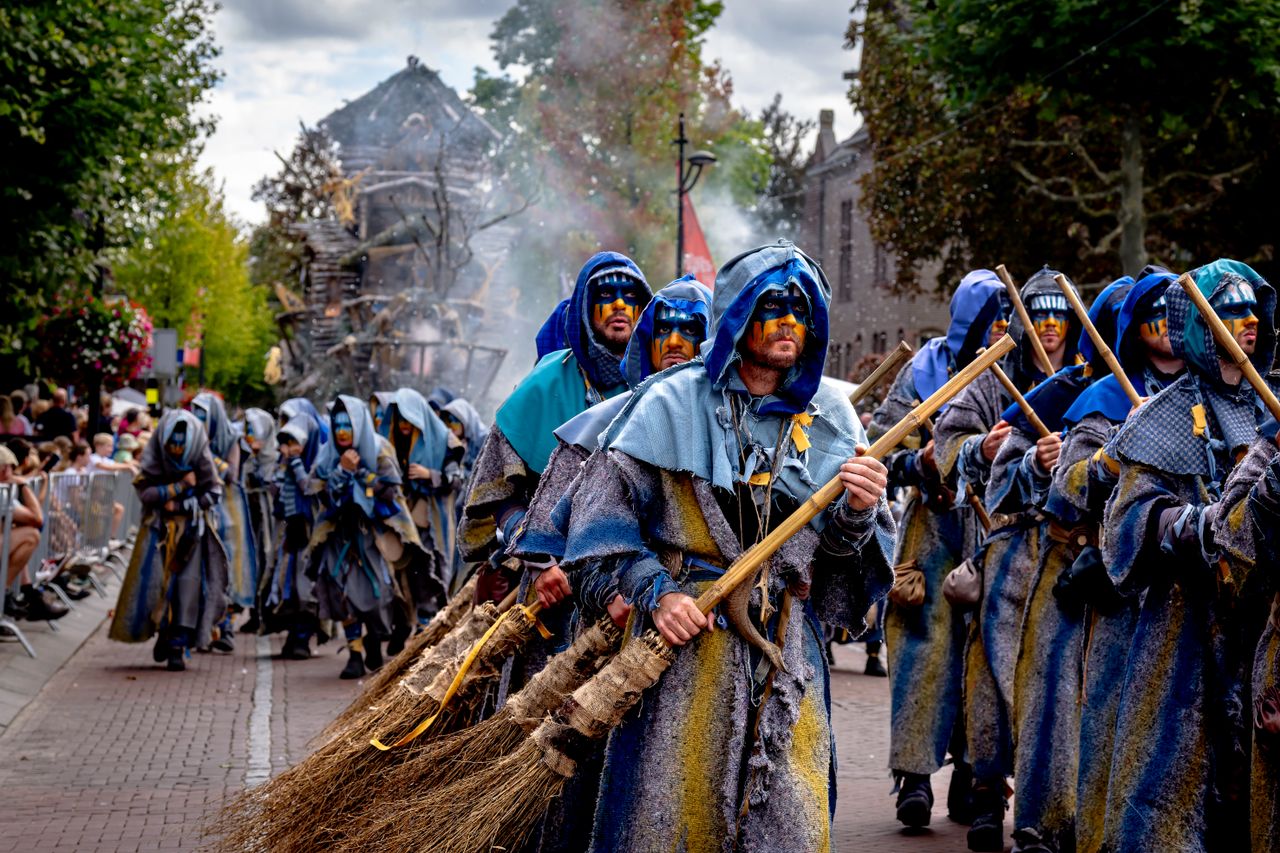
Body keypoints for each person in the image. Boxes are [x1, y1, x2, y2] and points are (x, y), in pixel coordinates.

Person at [559, 240, 895, 851]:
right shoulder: (667, 402)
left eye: (802, 307)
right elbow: (599, 523)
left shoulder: (833, 418)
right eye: (772, 304)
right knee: (670, 818)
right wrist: (654, 593)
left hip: (784, 648)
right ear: (738, 314)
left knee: (791, 815)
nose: (790, 320)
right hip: (688, 649)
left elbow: (840, 564)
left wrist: (855, 513)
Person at [1100, 259, 1277, 851]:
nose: (1248, 321)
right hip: (1184, 633)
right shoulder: (1163, 417)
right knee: (1172, 795)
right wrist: (1202, 527)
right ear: (1201, 326)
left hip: (1264, 629)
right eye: (1231, 311)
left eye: (1253, 309)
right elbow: (1126, 528)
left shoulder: (1270, 407)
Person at [932, 265, 1080, 851]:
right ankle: (988, 793)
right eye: (1036, 317)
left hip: (1067, 556)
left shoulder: (1089, 382)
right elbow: (947, 444)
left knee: (1056, 688)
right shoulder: (990, 378)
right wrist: (983, 449)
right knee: (990, 678)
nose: (1047, 329)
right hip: (1005, 546)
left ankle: (1051, 804)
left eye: (1057, 318)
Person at [1046, 269, 1185, 853]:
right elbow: (1065, 488)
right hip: (1123, 593)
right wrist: (1111, 458)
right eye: (1159, 311)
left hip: (1190, 598)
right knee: (1108, 727)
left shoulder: (1213, 398)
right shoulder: (1105, 400)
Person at [869, 269, 1009, 829]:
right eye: (992, 316)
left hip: (991, 527)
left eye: (1007, 317)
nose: (1001, 327)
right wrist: (923, 464)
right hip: (931, 532)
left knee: (983, 657)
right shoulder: (922, 372)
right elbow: (881, 448)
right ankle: (915, 777)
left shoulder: (1014, 376)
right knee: (924, 656)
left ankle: (973, 777)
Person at [459, 252, 652, 606]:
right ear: (585, 305)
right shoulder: (544, 384)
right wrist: (538, 558)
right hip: (554, 581)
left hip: (641, 582)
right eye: (606, 295)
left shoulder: (659, 386)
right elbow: (499, 492)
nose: (620, 304)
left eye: (630, 296)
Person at [306, 395, 431, 679]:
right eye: (336, 424)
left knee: (380, 597)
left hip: (374, 538)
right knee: (342, 595)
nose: (340, 431)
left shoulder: (379, 449)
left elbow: (390, 491)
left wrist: (362, 476)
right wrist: (341, 472)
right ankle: (354, 652)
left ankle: (375, 639)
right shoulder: (327, 454)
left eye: (347, 424)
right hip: (339, 538)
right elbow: (317, 491)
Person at [109, 410, 229, 671]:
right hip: (157, 532)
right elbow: (146, 492)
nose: (176, 449)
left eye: (180, 443)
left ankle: (178, 643)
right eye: (171, 443)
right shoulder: (155, 457)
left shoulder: (200, 455)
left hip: (192, 534)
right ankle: (163, 634)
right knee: (156, 586)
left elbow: (213, 491)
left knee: (188, 587)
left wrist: (186, 504)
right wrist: (178, 488)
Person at [380, 387, 464, 630]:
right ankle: (410, 623)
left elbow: (457, 479)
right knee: (403, 572)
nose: (404, 424)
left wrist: (430, 475)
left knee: (431, 571)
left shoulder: (445, 441)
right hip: (402, 520)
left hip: (433, 520)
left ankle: (431, 623)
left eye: (409, 417)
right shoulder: (393, 444)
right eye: (400, 418)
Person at [191, 392, 256, 650]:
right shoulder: (192, 438)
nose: (198, 421)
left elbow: (231, 474)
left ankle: (225, 628)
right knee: (200, 571)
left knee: (226, 570)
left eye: (202, 416)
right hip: (201, 509)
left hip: (229, 511)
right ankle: (202, 631)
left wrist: (207, 454)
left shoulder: (231, 438)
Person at [262, 402, 326, 660]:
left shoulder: (321, 457)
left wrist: (297, 462)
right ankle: (291, 633)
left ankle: (303, 635)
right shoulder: (283, 461)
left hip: (311, 529)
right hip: (288, 531)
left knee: (306, 584)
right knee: (284, 581)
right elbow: (275, 492)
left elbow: (310, 488)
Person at [0, 444, 68, 622]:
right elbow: (38, 519)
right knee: (30, 536)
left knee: (19, 536)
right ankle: (5, 596)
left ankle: (28, 596)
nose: (11, 472)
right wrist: (24, 486)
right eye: (9, 467)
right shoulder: (3, 492)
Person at [238, 408, 279, 635]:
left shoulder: (275, 457)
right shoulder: (246, 457)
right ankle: (254, 613)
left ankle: (267, 613)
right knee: (252, 563)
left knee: (268, 562)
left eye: (254, 430)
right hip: (251, 520)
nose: (250, 436)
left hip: (269, 522)